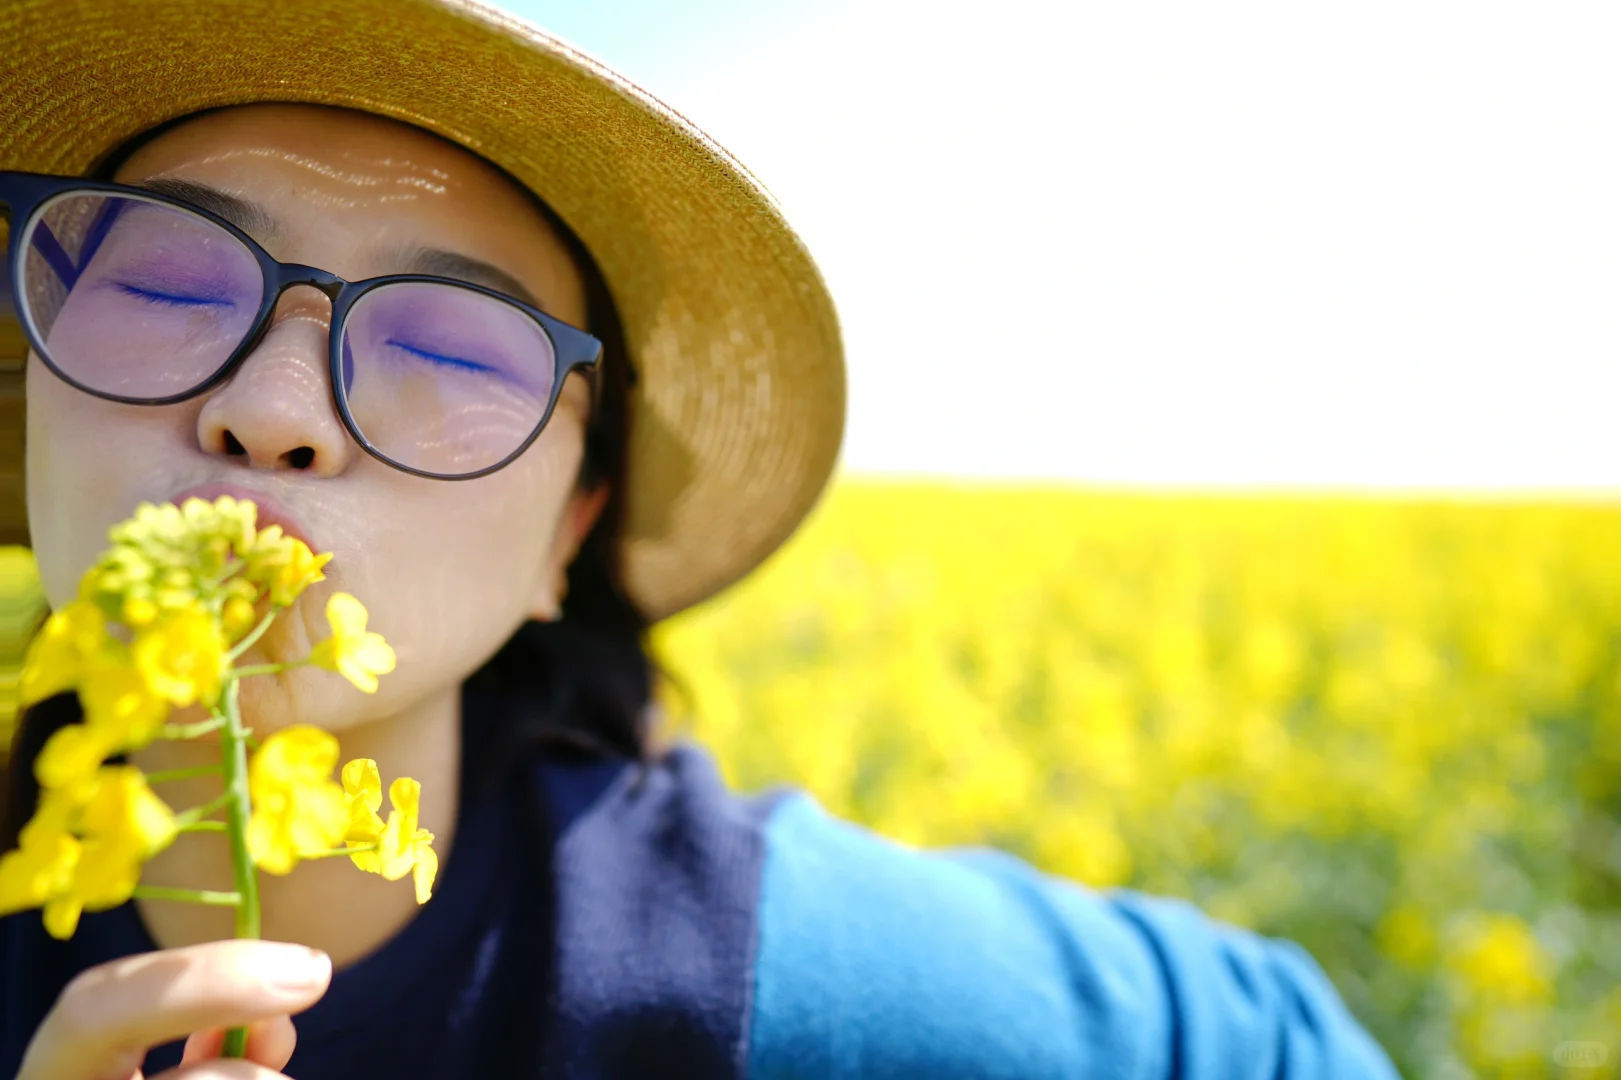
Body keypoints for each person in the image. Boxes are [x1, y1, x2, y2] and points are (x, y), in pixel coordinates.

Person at [0, 2, 1402, 1077]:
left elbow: (1285, 1036)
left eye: (450, 348)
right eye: (166, 281)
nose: (272, 409)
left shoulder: (753, 976)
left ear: (572, 533)